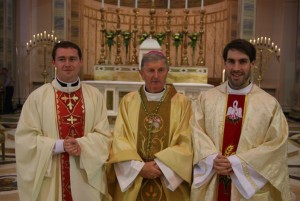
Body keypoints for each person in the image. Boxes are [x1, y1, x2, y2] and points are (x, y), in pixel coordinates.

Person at [190, 38, 291, 201]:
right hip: (213, 179)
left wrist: (237, 163)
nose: (236, 68)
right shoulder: (206, 99)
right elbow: (195, 132)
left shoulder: (268, 104)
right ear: (225, 64)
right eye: (231, 61)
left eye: (242, 62)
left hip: (248, 189)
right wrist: (211, 158)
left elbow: (276, 146)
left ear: (253, 64)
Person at [15, 41, 112, 201]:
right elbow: (25, 140)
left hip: (85, 178)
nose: (67, 64)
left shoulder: (95, 96)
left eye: (72, 59)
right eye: (62, 59)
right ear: (53, 62)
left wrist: (81, 145)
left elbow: (104, 137)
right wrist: (58, 145)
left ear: (81, 62)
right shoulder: (37, 98)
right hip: (51, 176)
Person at [108, 51, 193, 201]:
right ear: (141, 73)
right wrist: (139, 168)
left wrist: (161, 166)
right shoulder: (128, 101)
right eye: (150, 70)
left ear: (167, 71)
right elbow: (120, 140)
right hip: (136, 178)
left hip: (168, 181)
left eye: (160, 70)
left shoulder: (182, 103)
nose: (156, 76)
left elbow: (186, 141)